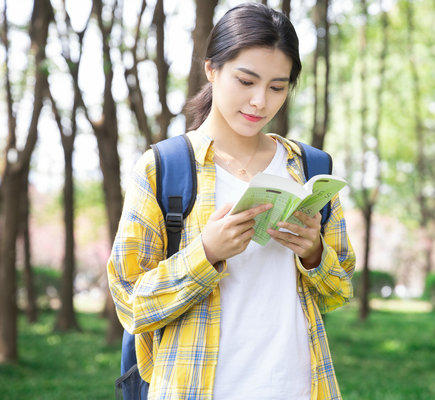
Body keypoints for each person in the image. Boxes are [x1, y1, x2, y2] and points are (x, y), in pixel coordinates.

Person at [107, 3, 355, 399]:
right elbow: (132, 304)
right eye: (246, 81)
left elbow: (339, 291)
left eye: (277, 87)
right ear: (212, 69)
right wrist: (206, 253)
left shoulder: (308, 168)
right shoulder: (164, 167)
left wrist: (313, 254)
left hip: (296, 386)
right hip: (195, 387)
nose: (260, 101)